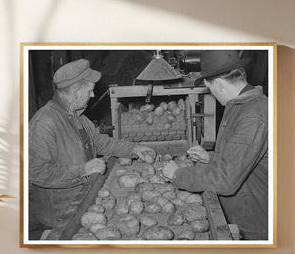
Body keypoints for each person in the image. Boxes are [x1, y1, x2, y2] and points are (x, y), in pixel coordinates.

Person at [29, 59, 155, 234]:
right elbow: (35, 172)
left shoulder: (76, 116)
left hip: (82, 201)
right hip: (59, 215)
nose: (93, 95)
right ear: (75, 90)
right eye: (89, 91)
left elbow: (100, 142)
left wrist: (133, 148)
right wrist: (82, 170)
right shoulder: (45, 123)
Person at [162, 50, 269, 240]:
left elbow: (225, 180)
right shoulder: (242, 105)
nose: (212, 94)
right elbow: (243, 157)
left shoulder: (253, 115)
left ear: (219, 84)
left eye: (210, 89)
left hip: (253, 222)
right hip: (242, 207)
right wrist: (211, 157)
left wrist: (178, 174)